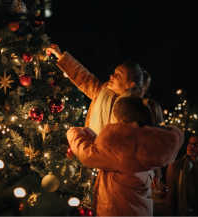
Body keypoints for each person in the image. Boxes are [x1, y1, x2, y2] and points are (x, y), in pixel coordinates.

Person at [49, 44, 162, 186]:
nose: (112, 75)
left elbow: (149, 140)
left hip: (119, 169)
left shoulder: (137, 108)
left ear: (129, 84)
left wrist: (156, 172)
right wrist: (61, 56)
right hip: (93, 159)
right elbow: (82, 76)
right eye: (114, 72)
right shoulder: (100, 92)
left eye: (118, 75)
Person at [66, 97, 184, 216]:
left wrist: (73, 131)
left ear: (122, 122)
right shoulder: (143, 145)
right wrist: (89, 134)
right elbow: (104, 150)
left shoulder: (122, 152)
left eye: (113, 118)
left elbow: (87, 153)